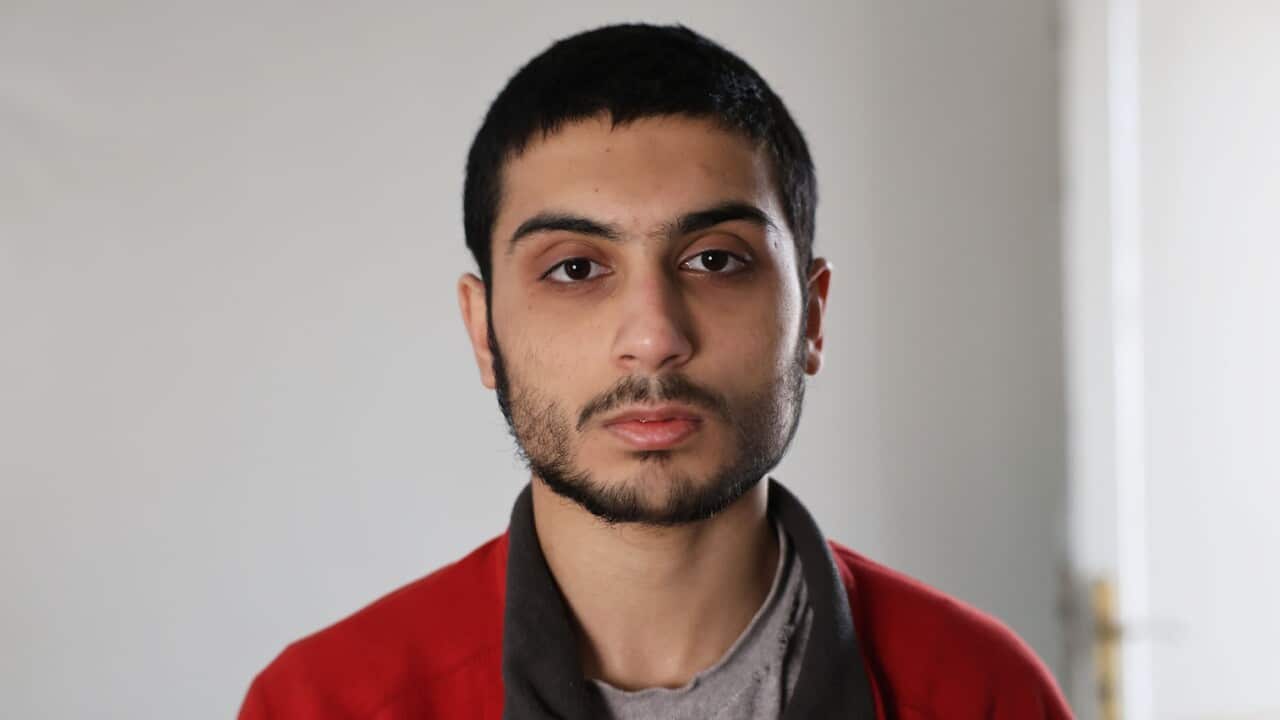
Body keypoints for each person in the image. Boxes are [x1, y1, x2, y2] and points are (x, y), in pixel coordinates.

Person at [239, 23, 1072, 719]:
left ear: (811, 316)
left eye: (715, 259)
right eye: (574, 268)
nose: (653, 337)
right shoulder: (325, 703)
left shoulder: (984, 692)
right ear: (482, 330)